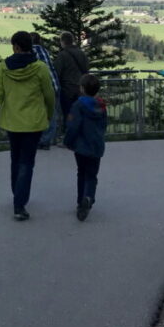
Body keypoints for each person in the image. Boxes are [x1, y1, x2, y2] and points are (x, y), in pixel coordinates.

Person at [0, 31, 56, 221]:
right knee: (27, 162)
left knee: (15, 159)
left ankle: (18, 194)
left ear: (16, 47)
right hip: (34, 123)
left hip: (12, 122)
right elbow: (49, 95)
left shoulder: (3, 67)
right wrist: (49, 114)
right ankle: (19, 202)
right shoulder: (40, 68)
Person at [63, 73, 107, 221]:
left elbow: (73, 126)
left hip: (81, 146)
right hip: (97, 146)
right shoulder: (101, 106)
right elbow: (104, 125)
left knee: (81, 173)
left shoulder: (78, 105)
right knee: (92, 175)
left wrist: (68, 141)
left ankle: (80, 201)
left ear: (81, 88)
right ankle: (89, 196)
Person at [54, 31, 89, 134]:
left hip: (67, 90)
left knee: (68, 115)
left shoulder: (62, 55)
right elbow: (86, 69)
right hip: (81, 90)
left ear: (63, 42)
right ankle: (79, 136)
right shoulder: (81, 53)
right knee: (79, 114)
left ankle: (68, 138)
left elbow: (57, 72)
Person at [31, 33, 61, 150]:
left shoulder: (31, 52)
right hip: (55, 86)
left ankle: (40, 140)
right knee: (51, 115)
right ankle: (46, 141)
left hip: (43, 89)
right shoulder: (44, 50)